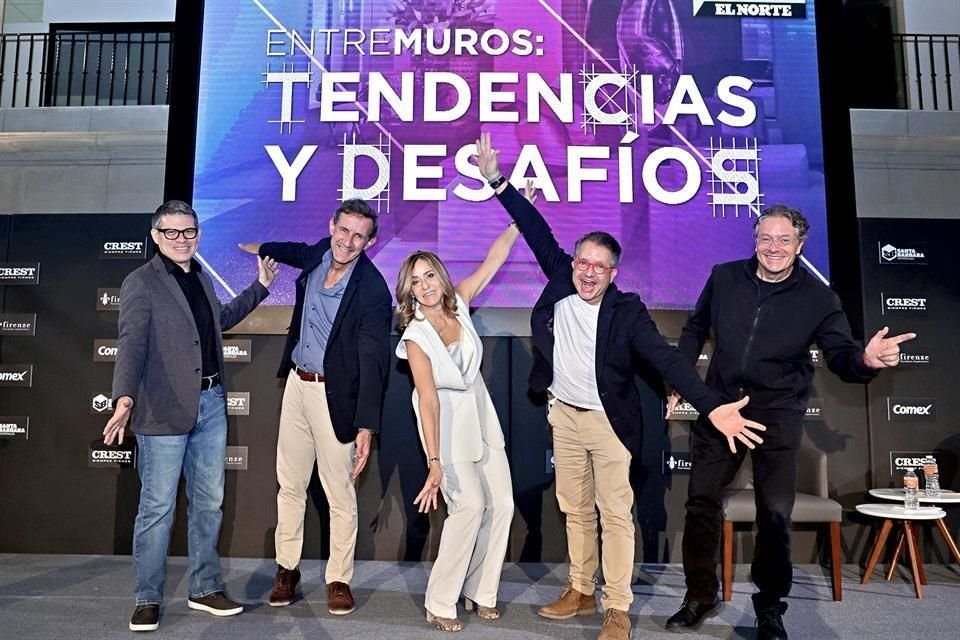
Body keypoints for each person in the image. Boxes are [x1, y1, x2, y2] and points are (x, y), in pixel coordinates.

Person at [476, 132, 766, 640]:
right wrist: (497, 180)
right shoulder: (562, 280)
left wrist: (712, 407)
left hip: (611, 423)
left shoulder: (627, 312)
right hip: (563, 415)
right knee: (573, 508)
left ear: (613, 274)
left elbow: (667, 362)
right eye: (582, 263)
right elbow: (533, 224)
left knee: (614, 512)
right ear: (573, 263)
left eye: (599, 268)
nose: (588, 274)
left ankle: (616, 606)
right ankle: (581, 589)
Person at [665, 205, 916, 640]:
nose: (773, 248)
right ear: (755, 240)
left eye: (784, 240)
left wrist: (865, 360)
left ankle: (769, 608)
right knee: (701, 504)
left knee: (774, 515)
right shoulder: (724, 277)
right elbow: (695, 328)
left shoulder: (820, 299)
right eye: (765, 238)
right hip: (723, 412)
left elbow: (841, 356)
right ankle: (699, 595)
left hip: (777, 416)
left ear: (800, 247)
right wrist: (681, 379)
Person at [103, 199, 278, 632]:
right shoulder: (140, 282)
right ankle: (147, 597)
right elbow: (131, 343)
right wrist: (123, 397)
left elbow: (219, 321)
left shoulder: (199, 277)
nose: (182, 239)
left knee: (208, 504)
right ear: (156, 236)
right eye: (172, 232)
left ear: (198, 235)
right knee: (157, 508)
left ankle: (205, 588)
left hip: (211, 403)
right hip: (161, 410)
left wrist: (260, 288)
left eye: (189, 231)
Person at [239, 198, 392, 615]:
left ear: (370, 241)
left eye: (359, 236)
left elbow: (374, 362)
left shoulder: (373, 290)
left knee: (339, 492)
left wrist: (365, 425)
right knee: (289, 484)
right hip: (296, 386)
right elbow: (292, 251)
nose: (348, 241)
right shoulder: (317, 256)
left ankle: (339, 578)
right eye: (343, 231)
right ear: (332, 226)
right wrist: (260, 247)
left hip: (335, 396)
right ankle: (286, 569)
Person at [394, 184, 531, 632]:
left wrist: (517, 217)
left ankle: (481, 590)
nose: (425, 285)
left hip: (480, 412)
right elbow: (428, 399)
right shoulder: (415, 337)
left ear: (441, 276)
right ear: (409, 291)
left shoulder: (462, 303)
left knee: (503, 505)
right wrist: (434, 462)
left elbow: (494, 259)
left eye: (429, 275)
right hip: (445, 425)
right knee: (469, 505)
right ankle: (440, 599)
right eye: (415, 281)